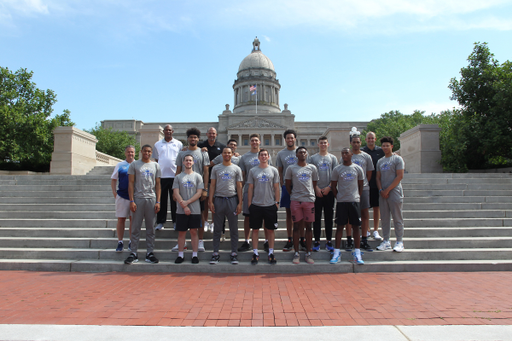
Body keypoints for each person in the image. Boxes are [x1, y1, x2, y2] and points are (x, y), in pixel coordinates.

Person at [174, 128, 210, 252]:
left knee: (199, 215)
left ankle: (200, 241)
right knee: (181, 215)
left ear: (198, 139)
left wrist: (205, 188)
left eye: (195, 137)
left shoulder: (203, 152)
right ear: (188, 139)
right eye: (191, 137)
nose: (193, 139)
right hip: (183, 188)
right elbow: (178, 170)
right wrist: (175, 189)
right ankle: (181, 242)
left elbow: (206, 171)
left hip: (198, 188)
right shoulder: (182, 153)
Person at [124, 145, 161, 265]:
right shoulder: (134, 165)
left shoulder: (156, 165)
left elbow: (158, 185)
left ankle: (149, 253)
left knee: (151, 228)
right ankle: (133, 253)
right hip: (138, 199)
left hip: (151, 199)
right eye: (145, 151)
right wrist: (131, 200)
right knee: (135, 227)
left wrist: (158, 201)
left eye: (149, 151)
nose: (147, 153)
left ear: (152, 153)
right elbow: (130, 183)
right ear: (141, 152)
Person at [238, 134, 273, 253]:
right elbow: (242, 175)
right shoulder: (244, 157)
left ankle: (267, 241)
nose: (254, 142)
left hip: (264, 190)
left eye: (256, 141)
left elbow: (271, 174)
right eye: (252, 141)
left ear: (260, 142)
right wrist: (240, 193)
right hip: (249, 190)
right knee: (247, 216)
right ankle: (247, 241)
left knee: (265, 217)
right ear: (249, 142)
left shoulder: (267, 155)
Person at [285, 146, 320, 264]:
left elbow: (314, 183)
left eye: (304, 152)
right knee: (296, 227)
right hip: (296, 200)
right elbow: (288, 184)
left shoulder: (312, 168)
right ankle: (296, 253)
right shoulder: (291, 168)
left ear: (307, 154)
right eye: (300, 152)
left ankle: (308, 252)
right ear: (296, 155)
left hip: (309, 200)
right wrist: (295, 195)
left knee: (309, 227)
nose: (302, 154)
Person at [330, 147, 365, 264]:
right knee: (339, 227)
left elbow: (361, 185)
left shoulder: (358, 168)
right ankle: (336, 252)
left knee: (356, 227)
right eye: (342, 153)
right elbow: (333, 186)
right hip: (341, 202)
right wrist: (338, 197)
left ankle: (358, 253)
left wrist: (357, 196)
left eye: (346, 153)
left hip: (354, 201)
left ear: (351, 154)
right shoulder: (337, 169)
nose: (344, 155)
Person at [208, 147, 243, 264]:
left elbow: (239, 186)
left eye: (229, 153)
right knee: (217, 228)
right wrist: (210, 201)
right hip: (219, 199)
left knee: (234, 229)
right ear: (221, 154)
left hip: (232, 200)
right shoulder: (216, 168)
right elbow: (212, 185)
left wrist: (240, 202)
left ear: (232, 154)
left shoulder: (236, 168)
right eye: (225, 153)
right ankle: (215, 253)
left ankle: (234, 253)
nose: (227, 155)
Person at [247, 149, 280, 265]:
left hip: (270, 204)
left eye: (265, 155)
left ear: (268, 157)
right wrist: (250, 203)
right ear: (258, 157)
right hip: (256, 204)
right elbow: (250, 188)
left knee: (270, 230)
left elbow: (276, 187)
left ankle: (271, 252)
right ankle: (255, 252)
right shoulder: (253, 171)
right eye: (261, 155)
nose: (263, 157)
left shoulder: (273, 170)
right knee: (255, 229)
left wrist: (277, 202)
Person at [172, 154, 204, 264]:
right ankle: (180, 254)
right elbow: (176, 192)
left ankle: (194, 254)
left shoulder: (198, 176)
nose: (188, 162)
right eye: (186, 160)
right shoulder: (178, 177)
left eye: (190, 160)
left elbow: (199, 193)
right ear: (183, 162)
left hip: (195, 209)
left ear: (193, 162)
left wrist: (187, 202)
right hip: (181, 210)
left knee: (194, 232)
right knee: (182, 233)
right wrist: (184, 206)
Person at [375, 136, 405, 252]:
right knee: (385, 218)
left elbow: (400, 176)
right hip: (382, 193)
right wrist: (381, 190)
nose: (385, 147)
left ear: (391, 146)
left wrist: (387, 190)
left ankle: (399, 241)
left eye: (387, 145)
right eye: (383, 145)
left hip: (395, 192)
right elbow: (378, 178)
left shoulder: (397, 159)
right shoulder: (380, 161)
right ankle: (386, 240)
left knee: (397, 217)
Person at [308, 136, 338, 252]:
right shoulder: (313, 158)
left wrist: (329, 187)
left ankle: (329, 240)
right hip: (316, 191)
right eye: (321, 143)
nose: (323, 145)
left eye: (325, 143)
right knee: (316, 218)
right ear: (318, 144)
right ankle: (317, 240)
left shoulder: (333, 158)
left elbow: (336, 175)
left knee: (329, 217)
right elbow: (310, 174)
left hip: (329, 191)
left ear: (328, 144)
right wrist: (316, 188)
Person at [153, 124, 183, 231]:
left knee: (175, 200)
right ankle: (160, 222)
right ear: (163, 131)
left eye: (170, 130)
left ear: (173, 131)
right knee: (162, 199)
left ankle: (176, 222)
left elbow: (180, 159)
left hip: (175, 176)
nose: (168, 132)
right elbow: (157, 159)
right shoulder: (157, 144)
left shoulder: (178, 144)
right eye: (166, 130)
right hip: (161, 176)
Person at [349, 132, 374, 252]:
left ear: (361, 143)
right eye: (354, 142)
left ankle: (364, 239)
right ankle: (350, 240)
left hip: (363, 188)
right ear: (350, 143)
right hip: (349, 190)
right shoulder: (346, 155)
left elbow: (369, 173)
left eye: (358, 142)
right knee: (350, 215)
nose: (356, 144)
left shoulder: (366, 156)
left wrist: (362, 184)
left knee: (364, 214)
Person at [276, 129, 300, 252]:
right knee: (289, 214)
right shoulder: (281, 154)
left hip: (301, 187)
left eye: (292, 138)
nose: (290, 140)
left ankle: (301, 238)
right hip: (287, 186)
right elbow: (279, 170)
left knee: (301, 214)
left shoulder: (301, 151)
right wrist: (282, 183)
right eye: (288, 138)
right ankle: (290, 238)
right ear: (285, 139)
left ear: (295, 138)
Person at [198, 127, 226, 232]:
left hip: (217, 179)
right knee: (204, 201)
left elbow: (228, 155)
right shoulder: (200, 145)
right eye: (210, 133)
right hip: (203, 178)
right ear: (206, 134)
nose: (211, 135)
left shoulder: (222, 147)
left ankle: (213, 222)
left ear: (216, 134)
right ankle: (205, 221)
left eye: (213, 133)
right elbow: (191, 151)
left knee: (214, 202)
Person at [110, 145, 135, 252]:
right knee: (121, 219)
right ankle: (120, 242)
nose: (130, 154)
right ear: (125, 153)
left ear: (135, 153)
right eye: (128, 152)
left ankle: (131, 241)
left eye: (132, 152)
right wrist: (114, 192)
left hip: (133, 197)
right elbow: (114, 179)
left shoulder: (137, 164)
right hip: (122, 196)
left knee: (132, 220)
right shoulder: (120, 165)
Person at [362, 132, 385, 240]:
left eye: (372, 138)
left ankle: (376, 230)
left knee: (376, 207)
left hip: (377, 183)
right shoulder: (362, 151)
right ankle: (367, 229)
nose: (370, 140)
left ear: (375, 139)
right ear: (366, 140)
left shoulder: (381, 151)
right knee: (365, 208)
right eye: (369, 138)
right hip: (365, 184)